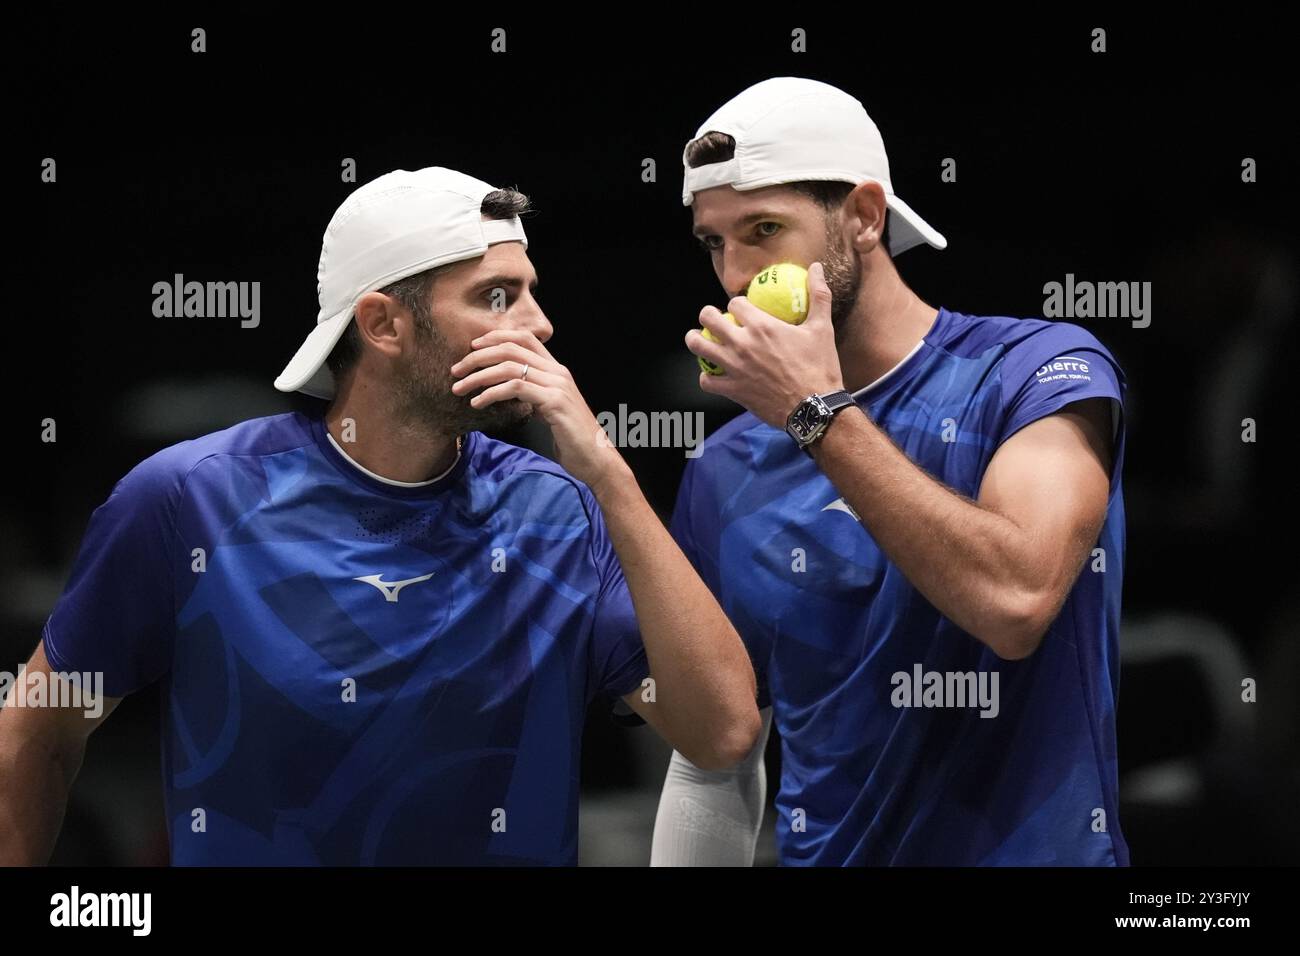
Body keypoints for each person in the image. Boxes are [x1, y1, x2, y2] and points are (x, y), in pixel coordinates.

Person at [0, 166, 760, 866]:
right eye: (499, 296)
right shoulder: (187, 498)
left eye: (531, 290)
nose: (541, 324)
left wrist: (607, 472)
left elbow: (722, 736)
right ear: (384, 324)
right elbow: (38, 728)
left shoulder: (558, 510)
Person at [652, 78, 1129, 865]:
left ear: (865, 217)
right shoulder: (723, 468)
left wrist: (816, 415)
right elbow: (715, 763)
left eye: (764, 229)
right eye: (714, 242)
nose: (735, 276)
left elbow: (1015, 602)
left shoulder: (1039, 373)